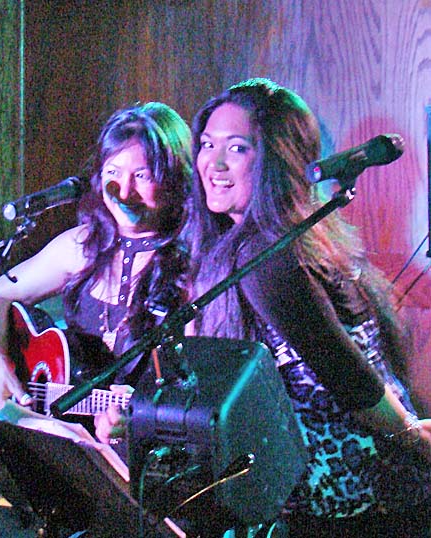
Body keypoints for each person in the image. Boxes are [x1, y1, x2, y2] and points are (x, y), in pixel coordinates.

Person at [183, 77, 431, 536]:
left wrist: (410, 433)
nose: (213, 163)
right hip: (347, 497)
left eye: (237, 148)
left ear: (277, 161)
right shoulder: (282, 242)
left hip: (355, 503)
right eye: (207, 144)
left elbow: (347, 373)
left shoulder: (269, 254)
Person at [0, 101, 193, 418]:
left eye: (142, 176)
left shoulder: (194, 264)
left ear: (174, 179)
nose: (124, 191)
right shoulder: (82, 244)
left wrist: (136, 422)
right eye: (112, 173)